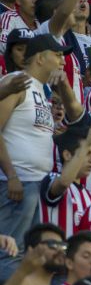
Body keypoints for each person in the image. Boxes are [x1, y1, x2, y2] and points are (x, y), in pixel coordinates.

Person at [0, 34, 65, 251]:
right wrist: (11, 176)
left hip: (38, 184)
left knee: (30, 258)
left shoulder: (40, 89)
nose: (62, 61)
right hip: (16, 185)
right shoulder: (15, 82)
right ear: (39, 58)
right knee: (9, 255)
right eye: (57, 55)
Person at [40, 124, 91, 237]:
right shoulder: (52, 178)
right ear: (67, 155)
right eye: (87, 153)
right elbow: (64, 182)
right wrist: (87, 143)